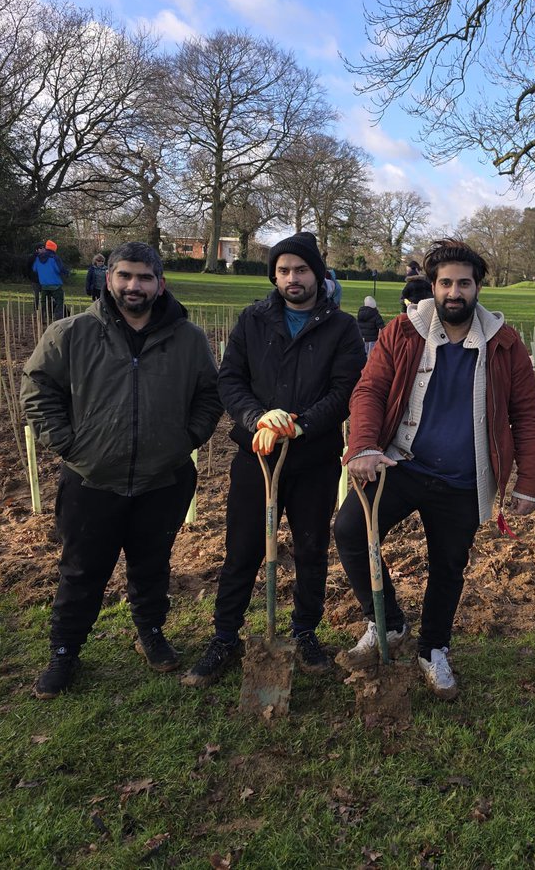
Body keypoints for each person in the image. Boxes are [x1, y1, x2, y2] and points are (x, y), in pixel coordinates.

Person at [333, 239, 535, 700]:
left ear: (478, 288)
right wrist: (364, 446)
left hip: (464, 478)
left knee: (448, 567)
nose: (454, 292)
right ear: (433, 287)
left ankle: (434, 649)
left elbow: (526, 413)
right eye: (445, 283)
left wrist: (529, 481)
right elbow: (369, 390)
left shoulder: (504, 343)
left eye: (463, 283)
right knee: (350, 528)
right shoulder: (403, 332)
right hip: (401, 463)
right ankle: (387, 623)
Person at [21, 242, 223, 698]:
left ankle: (150, 632)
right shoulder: (70, 333)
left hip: (163, 478)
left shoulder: (188, 339)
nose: (135, 286)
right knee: (81, 570)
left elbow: (210, 393)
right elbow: (38, 387)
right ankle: (64, 651)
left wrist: (187, 439)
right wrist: (67, 443)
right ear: (108, 279)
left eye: (145, 278)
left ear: (160, 285)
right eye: (125, 276)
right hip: (91, 478)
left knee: (152, 565)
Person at [182, 231, 365, 686]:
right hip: (257, 456)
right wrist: (257, 418)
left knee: (309, 549)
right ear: (274, 276)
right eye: (283, 271)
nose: (292, 278)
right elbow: (230, 380)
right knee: (242, 549)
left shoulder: (341, 328)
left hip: (314, 458)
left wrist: (301, 425)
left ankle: (305, 633)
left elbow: (345, 391)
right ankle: (225, 636)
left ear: (318, 274)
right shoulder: (253, 320)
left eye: (300, 270)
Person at [33, 239, 69, 321]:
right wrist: (66, 273)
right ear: (54, 249)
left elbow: (35, 269)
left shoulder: (38, 258)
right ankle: (58, 319)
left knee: (44, 303)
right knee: (59, 302)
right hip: (55, 284)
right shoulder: (54, 258)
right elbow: (59, 269)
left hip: (44, 285)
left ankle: (42, 318)